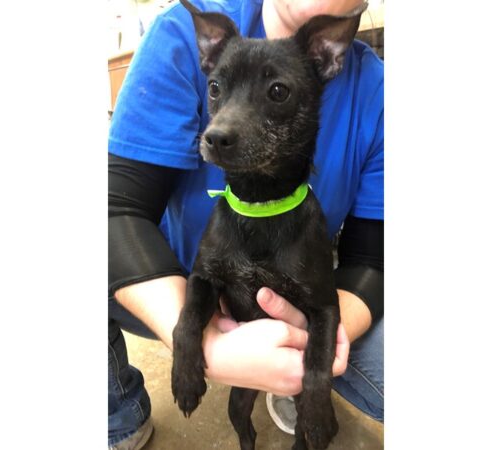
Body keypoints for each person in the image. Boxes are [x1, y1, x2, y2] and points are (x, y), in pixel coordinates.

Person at [108, 0, 384, 448]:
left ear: (329, 55)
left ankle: (286, 381)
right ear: (209, 62)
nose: (220, 127)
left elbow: (372, 259)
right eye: (217, 89)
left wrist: (313, 352)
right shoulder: (184, 29)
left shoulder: (378, 92)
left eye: (276, 92)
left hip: (302, 288)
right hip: (168, 279)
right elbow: (112, 211)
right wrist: (199, 346)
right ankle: (120, 413)